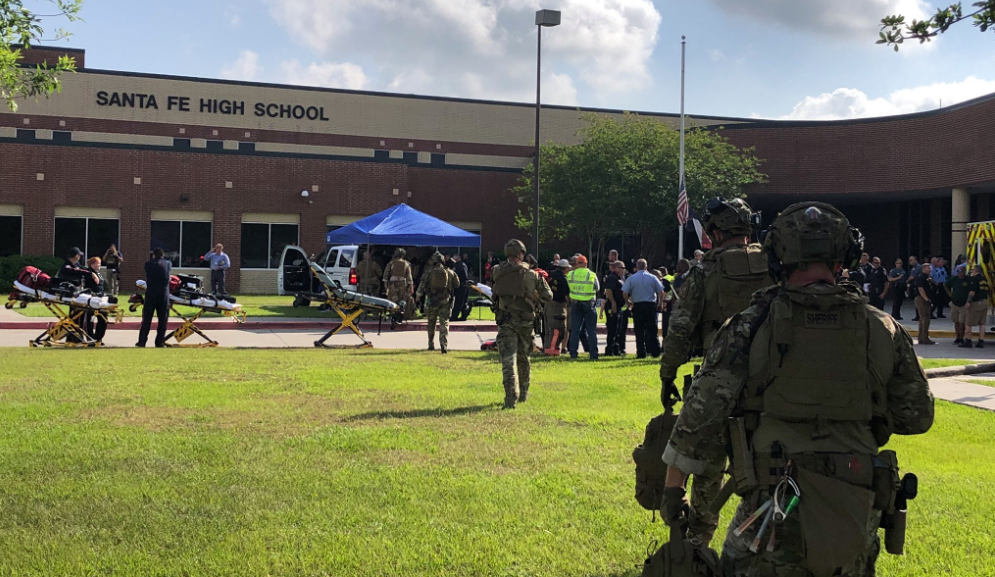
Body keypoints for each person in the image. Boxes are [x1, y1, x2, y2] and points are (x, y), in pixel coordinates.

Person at [660, 201, 934, 577]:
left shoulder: (750, 325)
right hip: (853, 506)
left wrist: (674, 490)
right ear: (846, 258)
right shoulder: (882, 328)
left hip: (772, 505)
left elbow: (699, 416)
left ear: (777, 256)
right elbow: (917, 416)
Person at [658, 197, 773, 545]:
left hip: (718, 378)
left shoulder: (704, 271)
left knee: (708, 465)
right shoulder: (775, 266)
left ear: (715, 232)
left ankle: (698, 542)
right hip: (772, 380)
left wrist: (667, 375)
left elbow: (680, 330)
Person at [491, 239, 551, 409]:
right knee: (524, 357)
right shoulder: (533, 274)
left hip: (505, 320)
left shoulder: (497, 271)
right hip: (525, 321)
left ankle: (511, 398)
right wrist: (534, 297)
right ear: (521, 254)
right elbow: (548, 296)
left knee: (508, 360)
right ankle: (524, 393)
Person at [416, 252, 460, 353]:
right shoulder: (449, 272)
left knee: (431, 323)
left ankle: (431, 343)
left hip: (432, 300)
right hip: (445, 300)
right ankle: (443, 345)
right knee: (444, 322)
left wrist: (418, 296)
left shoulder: (428, 272)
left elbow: (422, 285)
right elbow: (457, 284)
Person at [622, 259, 665, 359]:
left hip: (638, 306)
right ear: (646, 267)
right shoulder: (653, 277)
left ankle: (641, 352)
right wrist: (660, 303)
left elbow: (624, 292)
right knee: (652, 329)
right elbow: (661, 292)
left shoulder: (631, 278)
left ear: (637, 267)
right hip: (650, 305)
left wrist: (628, 302)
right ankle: (656, 351)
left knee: (639, 330)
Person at [137, 248, 172, 348]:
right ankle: (159, 342)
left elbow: (147, 271)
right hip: (163, 294)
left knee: (147, 319)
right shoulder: (168, 263)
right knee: (163, 319)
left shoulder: (148, 264)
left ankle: (142, 342)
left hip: (151, 293)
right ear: (163, 255)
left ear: (153, 255)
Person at [566, 254, 599, 360]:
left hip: (575, 304)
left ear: (576, 264)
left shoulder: (570, 274)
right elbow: (597, 288)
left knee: (575, 330)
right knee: (591, 330)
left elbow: (568, 287)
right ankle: (593, 354)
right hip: (589, 304)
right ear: (586, 263)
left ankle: (573, 354)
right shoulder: (591, 274)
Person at [543, 259, 570, 354]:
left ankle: (547, 348)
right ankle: (553, 350)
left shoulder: (551, 274)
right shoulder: (563, 279)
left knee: (548, 327)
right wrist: (570, 303)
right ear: (565, 268)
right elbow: (566, 295)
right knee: (558, 327)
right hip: (558, 305)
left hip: (548, 303)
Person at [602, 260, 628, 356]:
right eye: (622, 268)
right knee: (612, 328)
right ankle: (610, 350)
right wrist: (613, 303)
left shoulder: (619, 278)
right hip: (613, 306)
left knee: (618, 329)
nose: (624, 270)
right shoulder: (612, 278)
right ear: (616, 268)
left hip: (619, 306)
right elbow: (608, 290)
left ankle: (616, 349)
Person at [81, 256, 108, 340]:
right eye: (98, 263)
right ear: (92, 264)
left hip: (101, 299)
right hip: (92, 299)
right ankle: (90, 337)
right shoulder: (88, 273)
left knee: (103, 318)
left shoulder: (99, 274)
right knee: (90, 319)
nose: (100, 265)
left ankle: (98, 337)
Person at [946, 264, 972, 345]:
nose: (959, 272)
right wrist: (950, 294)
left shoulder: (968, 280)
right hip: (954, 303)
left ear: (964, 271)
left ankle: (961, 337)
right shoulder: (954, 279)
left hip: (963, 304)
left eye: (960, 271)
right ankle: (957, 337)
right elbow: (946, 285)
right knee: (956, 321)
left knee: (962, 322)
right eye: (957, 271)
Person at [383, 248, 414, 312]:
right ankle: (400, 313)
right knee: (401, 299)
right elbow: (409, 276)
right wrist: (411, 286)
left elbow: (386, 275)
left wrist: (386, 285)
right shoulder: (406, 264)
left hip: (392, 284)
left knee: (392, 299)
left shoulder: (390, 263)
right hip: (402, 283)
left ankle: (393, 313)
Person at [965, 265, 989, 348]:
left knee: (968, 323)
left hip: (976, 303)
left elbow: (972, 292)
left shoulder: (974, 279)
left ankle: (968, 341)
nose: (971, 272)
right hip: (985, 302)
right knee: (982, 323)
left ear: (975, 271)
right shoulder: (984, 280)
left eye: (972, 270)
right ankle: (981, 341)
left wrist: (968, 301)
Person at [914, 263, 936, 345]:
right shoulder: (921, 277)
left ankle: (921, 338)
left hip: (924, 298)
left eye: (930, 268)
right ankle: (924, 338)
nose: (930, 270)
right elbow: (920, 289)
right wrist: (926, 299)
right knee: (925, 318)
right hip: (921, 299)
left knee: (923, 319)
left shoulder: (927, 277)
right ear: (923, 269)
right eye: (928, 268)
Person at [450, 254, 471, 322]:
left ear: (457, 258)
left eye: (453, 257)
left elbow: (464, 277)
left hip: (462, 286)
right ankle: (462, 316)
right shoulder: (457, 265)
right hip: (459, 286)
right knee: (461, 302)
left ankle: (455, 316)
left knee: (459, 302)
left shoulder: (461, 265)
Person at [908, 256, 923, 320]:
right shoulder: (915, 267)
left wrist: (906, 281)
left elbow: (912, 277)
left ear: (915, 260)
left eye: (911, 260)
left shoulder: (917, 267)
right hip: (917, 285)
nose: (910, 261)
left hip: (917, 285)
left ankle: (918, 316)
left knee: (918, 300)